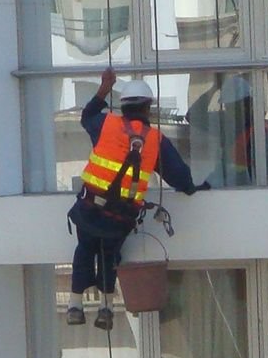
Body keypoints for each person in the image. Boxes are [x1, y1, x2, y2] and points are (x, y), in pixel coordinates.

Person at [66, 69, 209, 328]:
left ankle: (75, 305)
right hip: (118, 218)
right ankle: (106, 309)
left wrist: (103, 88)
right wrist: (193, 188)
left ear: (123, 106)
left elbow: (86, 116)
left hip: (89, 209)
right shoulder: (155, 141)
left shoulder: (105, 125)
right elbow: (179, 176)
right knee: (109, 255)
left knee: (84, 248)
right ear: (148, 109)